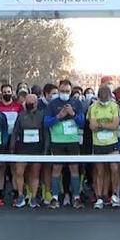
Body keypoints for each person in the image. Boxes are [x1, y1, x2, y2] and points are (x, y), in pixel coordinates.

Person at [44, 78, 85, 208]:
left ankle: (76, 197)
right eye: (62, 91)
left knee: (74, 169)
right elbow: (45, 123)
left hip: (72, 141)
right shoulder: (52, 104)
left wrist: (73, 114)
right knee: (56, 168)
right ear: (59, 89)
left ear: (71, 90)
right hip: (57, 141)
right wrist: (58, 116)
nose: (64, 93)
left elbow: (82, 123)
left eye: (67, 91)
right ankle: (55, 198)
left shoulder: (77, 103)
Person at [87, 85, 120, 209]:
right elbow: (92, 126)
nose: (105, 102)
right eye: (102, 100)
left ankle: (115, 195)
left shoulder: (114, 106)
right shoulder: (93, 107)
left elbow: (115, 125)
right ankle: (99, 197)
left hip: (112, 143)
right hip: (98, 144)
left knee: (114, 168)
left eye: (106, 99)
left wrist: (101, 125)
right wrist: (107, 124)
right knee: (100, 171)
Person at [12, 90, 46, 207]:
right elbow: (15, 132)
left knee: (35, 174)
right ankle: (21, 195)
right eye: (27, 102)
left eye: (31, 102)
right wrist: (12, 148)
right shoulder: (21, 115)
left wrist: (45, 149)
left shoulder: (42, 115)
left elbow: (45, 133)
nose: (29, 104)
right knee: (19, 172)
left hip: (37, 148)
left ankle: (34, 197)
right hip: (22, 148)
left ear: (36, 103)